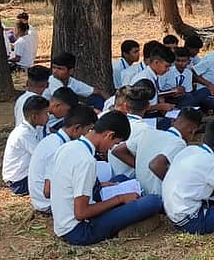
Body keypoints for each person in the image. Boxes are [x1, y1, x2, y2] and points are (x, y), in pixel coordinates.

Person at [49, 111, 164, 245]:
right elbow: (81, 213)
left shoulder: (68, 147)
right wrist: (119, 199)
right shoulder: (86, 161)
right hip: (80, 230)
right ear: (109, 135)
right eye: (115, 143)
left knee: (121, 179)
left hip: (64, 221)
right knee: (153, 201)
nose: (111, 148)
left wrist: (99, 185)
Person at [29, 105, 97, 213]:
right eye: (89, 130)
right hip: (48, 203)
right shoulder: (59, 148)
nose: (90, 135)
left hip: (42, 198)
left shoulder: (54, 139)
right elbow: (48, 191)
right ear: (76, 128)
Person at [120, 108, 203, 196]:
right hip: (158, 196)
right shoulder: (179, 143)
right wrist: (174, 185)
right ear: (192, 131)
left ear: (173, 121)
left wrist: (140, 165)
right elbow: (155, 165)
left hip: (139, 191)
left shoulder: (148, 133)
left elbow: (118, 150)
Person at [2, 96, 50, 195]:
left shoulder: (32, 129)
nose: (48, 117)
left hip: (22, 176)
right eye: (46, 113)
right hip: (19, 182)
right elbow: (42, 156)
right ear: (34, 117)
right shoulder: (24, 134)